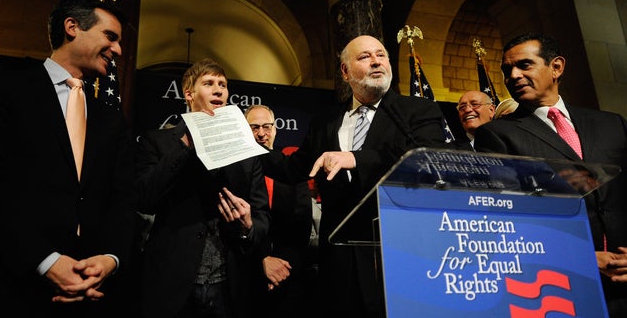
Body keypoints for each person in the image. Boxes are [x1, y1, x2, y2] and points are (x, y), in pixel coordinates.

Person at [260, 35, 449, 317]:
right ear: (345, 72)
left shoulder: (417, 110)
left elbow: (427, 156)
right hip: (339, 261)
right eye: (364, 57)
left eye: (381, 55)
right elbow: (293, 169)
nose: (376, 61)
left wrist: (355, 158)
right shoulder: (326, 121)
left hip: (399, 256)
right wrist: (246, 148)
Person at [0, 0, 136, 316]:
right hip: (12, 285)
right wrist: (45, 261)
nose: (119, 50)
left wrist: (110, 259)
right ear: (72, 27)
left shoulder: (111, 119)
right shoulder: (4, 89)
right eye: (111, 36)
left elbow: (122, 199)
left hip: (91, 291)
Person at [473, 32, 627, 317]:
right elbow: (507, 218)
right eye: (507, 70)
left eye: (524, 65)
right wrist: (584, 259)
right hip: (563, 284)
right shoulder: (496, 136)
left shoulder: (611, 124)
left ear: (556, 67)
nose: (513, 76)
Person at [135, 58, 271, 318]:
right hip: (172, 284)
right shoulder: (158, 142)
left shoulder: (246, 150)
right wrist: (186, 143)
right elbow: (144, 198)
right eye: (208, 83)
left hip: (229, 286)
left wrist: (248, 225)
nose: (219, 89)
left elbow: (262, 215)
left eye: (223, 84)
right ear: (189, 94)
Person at [244, 104, 314, 318]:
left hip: (286, 275)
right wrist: (261, 262)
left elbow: (301, 227)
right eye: (254, 127)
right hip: (244, 275)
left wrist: (279, 270)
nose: (261, 133)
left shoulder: (289, 170)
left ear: (275, 130)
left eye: (266, 126)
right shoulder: (235, 171)